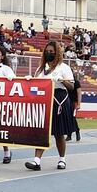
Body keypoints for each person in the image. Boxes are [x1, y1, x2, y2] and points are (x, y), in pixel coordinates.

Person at [26, 41, 75, 170]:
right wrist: (29, 81)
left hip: (59, 99)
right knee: (42, 132)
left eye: (51, 51)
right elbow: (35, 86)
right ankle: (36, 161)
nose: (49, 53)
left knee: (59, 133)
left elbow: (72, 87)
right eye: (47, 51)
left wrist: (62, 80)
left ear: (57, 53)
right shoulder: (40, 69)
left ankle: (62, 160)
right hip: (43, 99)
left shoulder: (63, 67)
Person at [65, 66, 82, 142]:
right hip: (66, 102)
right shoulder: (65, 82)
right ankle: (69, 135)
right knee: (67, 118)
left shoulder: (76, 82)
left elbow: (79, 93)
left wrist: (78, 104)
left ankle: (77, 131)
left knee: (72, 118)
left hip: (73, 102)